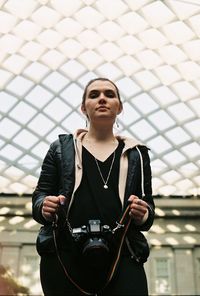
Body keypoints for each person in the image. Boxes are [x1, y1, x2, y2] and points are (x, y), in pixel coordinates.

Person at [32, 77, 155, 296]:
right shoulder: (61, 148)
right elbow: (39, 196)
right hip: (65, 253)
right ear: (83, 107)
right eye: (94, 95)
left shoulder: (137, 153)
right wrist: (44, 206)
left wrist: (143, 213)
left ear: (119, 107)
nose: (102, 99)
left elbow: (149, 210)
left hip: (122, 254)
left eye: (109, 95)